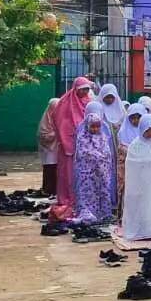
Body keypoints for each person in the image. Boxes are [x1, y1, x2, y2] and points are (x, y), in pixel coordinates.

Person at [69, 110, 118, 225]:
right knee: (87, 194)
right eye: (93, 126)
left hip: (101, 173)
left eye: (97, 126)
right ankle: (88, 214)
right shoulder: (82, 138)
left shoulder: (103, 137)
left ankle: (103, 214)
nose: (95, 129)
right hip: (87, 175)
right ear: (87, 126)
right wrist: (97, 158)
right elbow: (83, 154)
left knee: (103, 192)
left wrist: (100, 161)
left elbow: (107, 154)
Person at [52, 77, 93, 209]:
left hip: (85, 144)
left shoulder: (89, 101)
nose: (85, 92)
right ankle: (67, 198)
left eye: (87, 89)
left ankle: (81, 198)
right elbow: (59, 121)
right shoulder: (65, 102)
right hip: (68, 144)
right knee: (68, 174)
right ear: (75, 89)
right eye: (82, 89)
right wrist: (67, 139)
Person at [38, 96, 61, 198]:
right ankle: (47, 189)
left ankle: (56, 190)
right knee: (49, 169)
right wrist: (56, 134)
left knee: (58, 170)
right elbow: (43, 135)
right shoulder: (45, 120)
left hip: (59, 149)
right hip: (49, 150)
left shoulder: (61, 118)